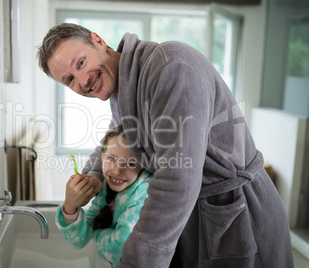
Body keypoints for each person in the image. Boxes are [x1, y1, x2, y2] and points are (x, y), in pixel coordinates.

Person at [37, 23, 294, 267]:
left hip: (237, 215)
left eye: (81, 63)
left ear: (99, 41)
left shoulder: (171, 67)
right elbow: (118, 132)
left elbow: (176, 179)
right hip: (199, 217)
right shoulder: (125, 89)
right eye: (69, 79)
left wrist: (136, 263)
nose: (82, 81)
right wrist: (93, 175)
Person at [55, 124, 153, 267]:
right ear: (102, 157)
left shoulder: (144, 194)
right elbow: (79, 240)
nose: (117, 171)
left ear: (143, 165)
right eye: (111, 159)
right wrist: (70, 208)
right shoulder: (106, 188)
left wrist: (96, 232)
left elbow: (119, 249)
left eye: (131, 163)